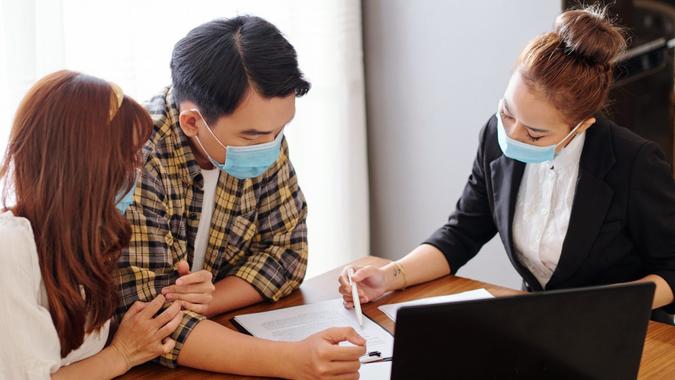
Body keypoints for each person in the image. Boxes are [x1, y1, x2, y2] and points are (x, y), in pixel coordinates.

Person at [339, 6, 675, 314]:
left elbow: (671, 269)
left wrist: (604, 306)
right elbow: (462, 233)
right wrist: (389, 276)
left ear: (581, 126)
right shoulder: (495, 137)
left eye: (534, 134)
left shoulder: (633, 162)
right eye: (506, 111)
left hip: (624, 330)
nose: (512, 135)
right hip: (538, 325)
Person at [116, 16, 365, 378]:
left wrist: (209, 298)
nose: (271, 147)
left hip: (218, 335)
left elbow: (288, 253)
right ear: (192, 123)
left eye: (280, 130)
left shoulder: (262, 135)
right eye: (253, 136)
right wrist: (293, 360)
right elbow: (150, 322)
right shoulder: (136, 158)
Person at [0, 70, 183, 379]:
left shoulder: (84, 240)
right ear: (85, 165)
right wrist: (122, 354)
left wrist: (181, 293)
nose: (136, 173)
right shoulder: (10, 250)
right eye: (129, 160)